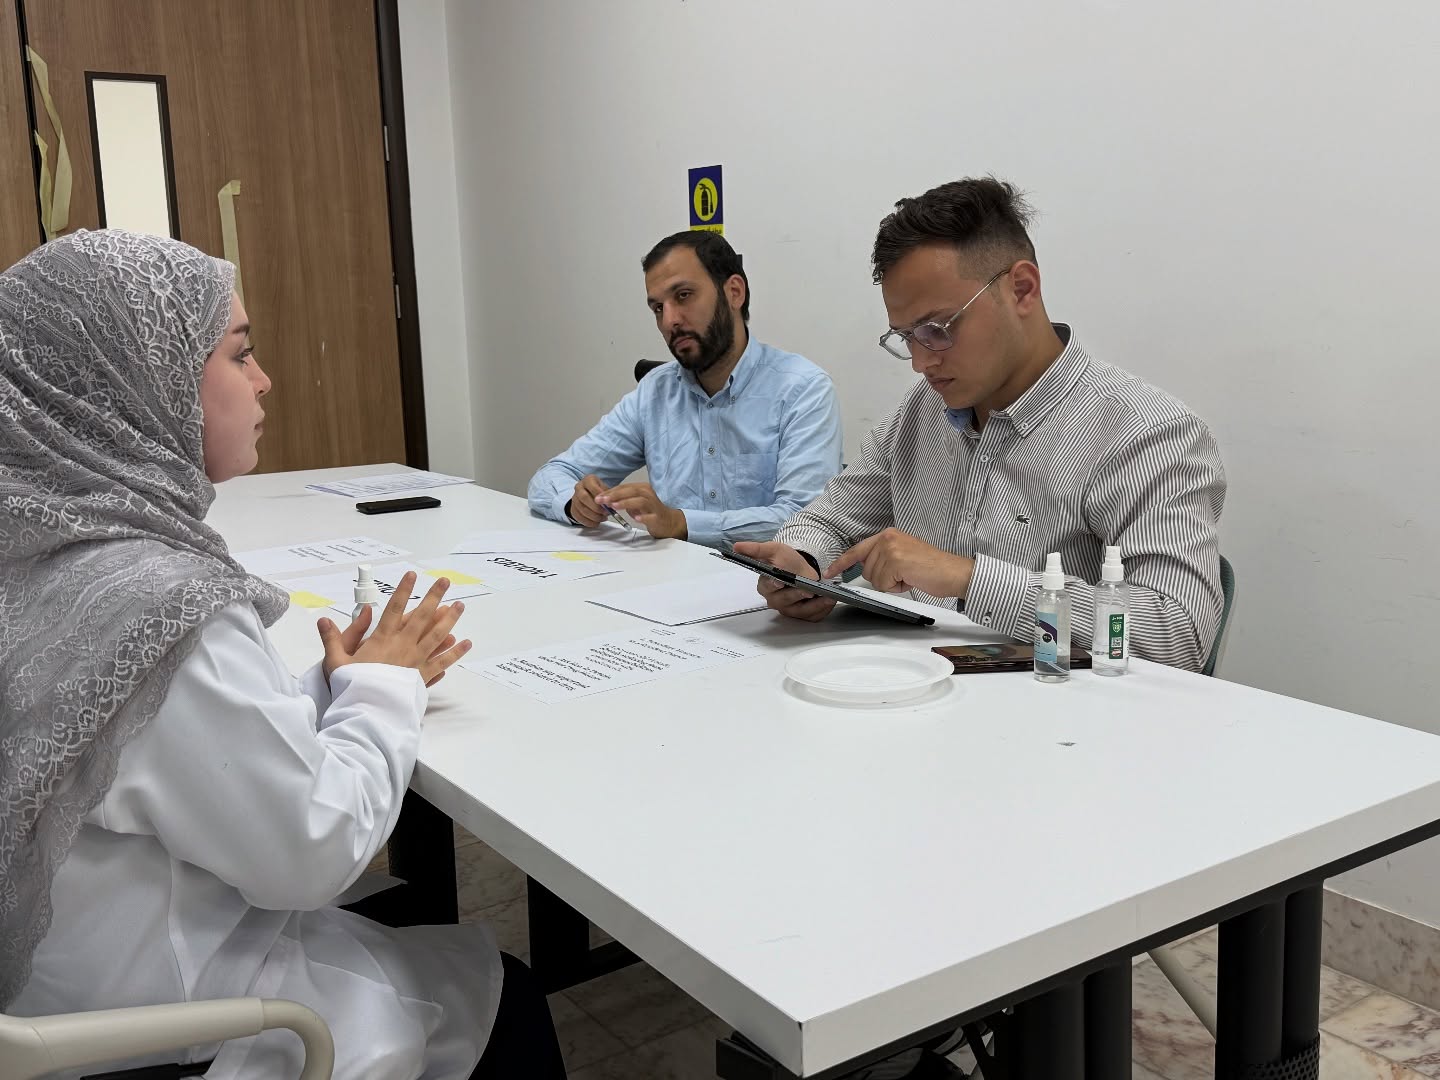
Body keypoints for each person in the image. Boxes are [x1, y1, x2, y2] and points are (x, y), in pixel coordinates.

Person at [0, 231, 565, 1079]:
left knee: (413, 928)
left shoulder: (37, 553)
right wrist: (385, 685)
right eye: (240, 354)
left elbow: (176, 747)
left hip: (52, 979)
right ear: (138, 382)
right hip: (153, 1025)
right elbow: (314, 849)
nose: (264, 380)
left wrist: (335, 684)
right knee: (507, 999)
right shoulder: (158, 608)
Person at [738, 178, 1225, 671]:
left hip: (1056, 705)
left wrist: (969, 579)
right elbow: (828, 519)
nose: (921, 362)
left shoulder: (1147, 433)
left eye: (938, 329)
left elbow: (1177, 635)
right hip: (913, 684)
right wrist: (804, 562)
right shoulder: (921, 412)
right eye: (906, 337)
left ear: (1022, 289)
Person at [527, 231, 843, 548]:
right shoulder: (655, 392)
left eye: (683, 296)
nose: (669, 321)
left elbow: (807, 523)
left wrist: (680, 523)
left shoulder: (802, 389)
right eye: (657, 308)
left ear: (734, 293)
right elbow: (553, 474)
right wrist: (575, 503)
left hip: (763, 577)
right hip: (671, 573)